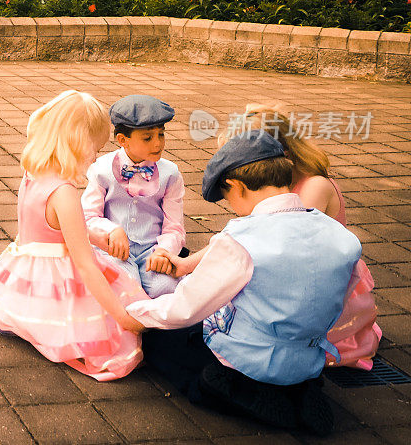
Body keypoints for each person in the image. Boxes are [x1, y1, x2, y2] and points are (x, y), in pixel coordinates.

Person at [128, 130, 363, 435]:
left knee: (163, 341)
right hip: (307, 358)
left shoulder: (241, 240)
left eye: (226, 198)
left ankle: (234, 393)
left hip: (247, 360)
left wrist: (136, 312)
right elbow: (337, 300)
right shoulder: (343, 238)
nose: (231, 206)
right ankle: (302, 390)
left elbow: (184, 309)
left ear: (236, 187)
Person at [0, 90, 146, 381]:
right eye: (94, 148)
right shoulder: (64, 193)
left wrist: (95, 238)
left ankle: (23, 321)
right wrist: (121, 316)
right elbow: (85, 265)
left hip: (26, 270)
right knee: (114, 321)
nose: (95, 157)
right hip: (57, 277)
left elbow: (53, 230)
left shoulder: (33, 174)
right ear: (77, 143)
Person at [236, 105, 381, 370]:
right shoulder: (284, 181)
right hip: (296, 267)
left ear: (285, 153)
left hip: (320, 277)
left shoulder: (314, 186)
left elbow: (286, 239)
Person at [82, 95, 185, 297]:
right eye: (148, 138)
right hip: (114, 250)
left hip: (152, 251)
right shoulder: (101, 169)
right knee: (125, 289)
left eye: (161, 135)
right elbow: (88, 216)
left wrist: (164, 251)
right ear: (123, 140)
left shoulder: (171, 173)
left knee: (166, 289)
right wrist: (111, 230)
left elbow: (174, 225)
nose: (158, 143)